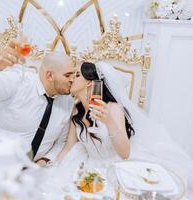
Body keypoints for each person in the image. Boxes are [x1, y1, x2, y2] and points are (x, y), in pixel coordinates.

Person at [50, 61, 192, 184]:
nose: (71, 79)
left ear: (89, 83)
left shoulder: (112, 108)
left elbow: (125, 153)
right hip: (89, 166)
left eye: (77, 75)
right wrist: (53, 166)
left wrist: (109, 122)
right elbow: (69, 147)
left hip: (117, 166)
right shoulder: (76, 111)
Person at [0, 40, 75, 165]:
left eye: (75, 75)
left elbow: (61, 142)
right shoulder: (18, 82)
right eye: (68, 75)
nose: (72, 80)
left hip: (30, 173)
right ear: (49, 75)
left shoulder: (68, 102)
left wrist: (45, 159)